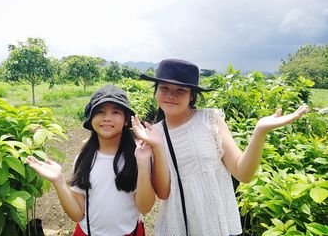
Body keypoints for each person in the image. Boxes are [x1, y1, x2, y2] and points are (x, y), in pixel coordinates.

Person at [139, 59, 309, 236]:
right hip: (177, 227)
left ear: (192, 96)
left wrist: (260, 131)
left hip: (218, 225)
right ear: (156, 91)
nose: (171, 95)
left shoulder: (210, 120)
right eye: (164, 88)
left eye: (180, 90)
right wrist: (157, 148)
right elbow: (163, 193)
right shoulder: (153, 135)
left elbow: (243, 173)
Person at [26, 84, 158, 236]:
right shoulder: (84, 160)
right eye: (100, 112)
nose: (107, 118)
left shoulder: (137, 156)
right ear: (91, 119)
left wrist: (143, 164)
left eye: (115, 112)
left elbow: (145, 208)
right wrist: (58, 181)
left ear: (126, 120)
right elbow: (77, 214)